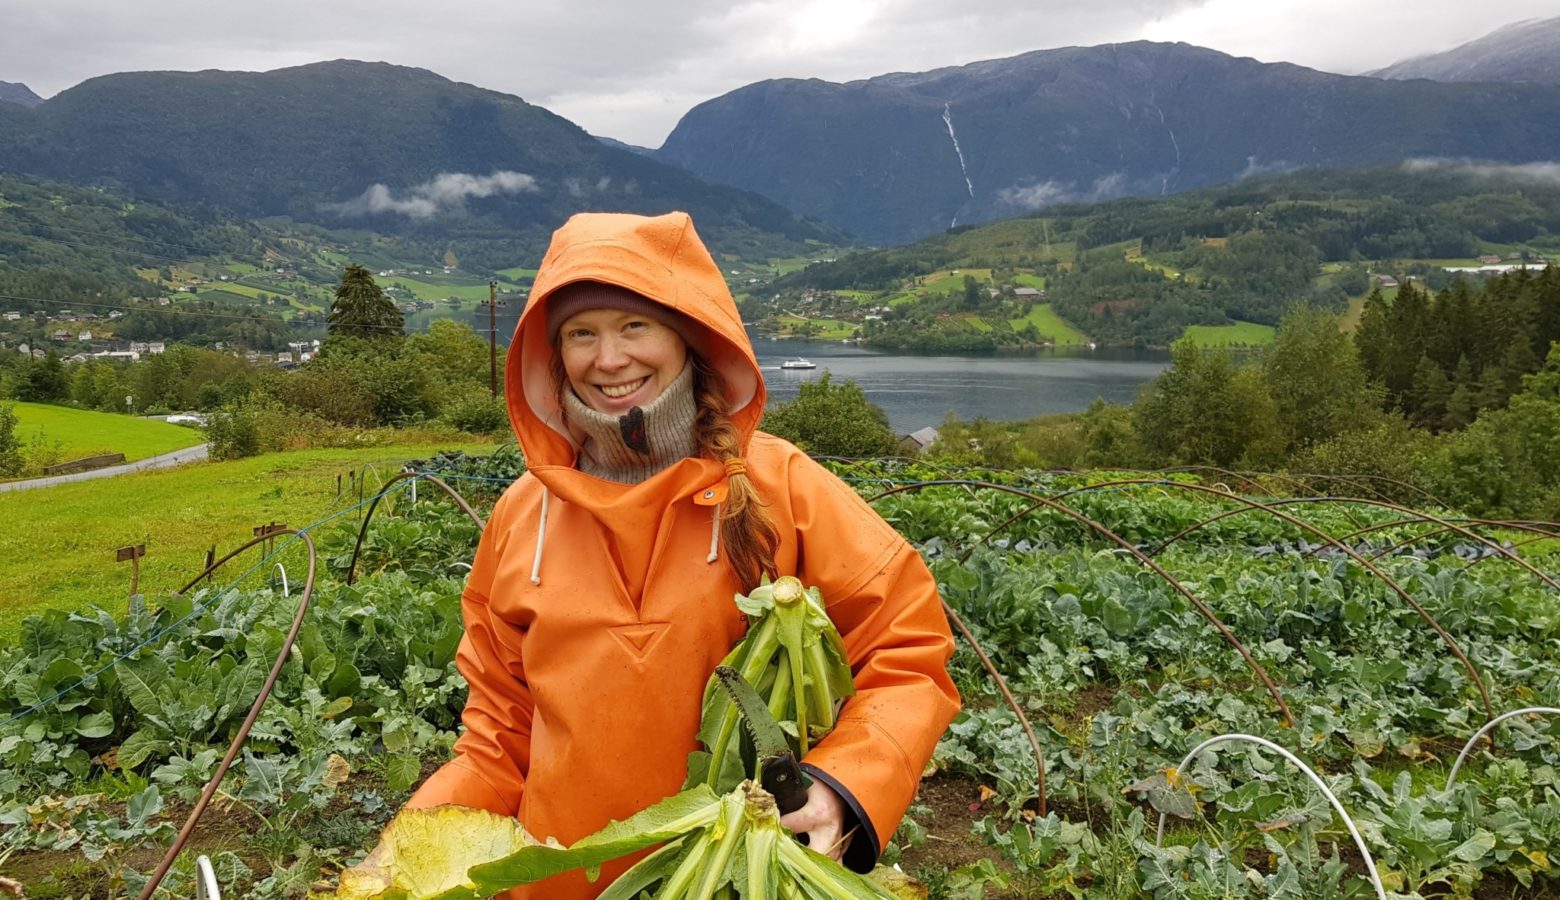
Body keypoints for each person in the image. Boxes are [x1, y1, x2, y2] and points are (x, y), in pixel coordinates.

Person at [407, 210, 959, 898]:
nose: (608, 359)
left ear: (687, 334)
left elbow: (907, 647)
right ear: (553, 355)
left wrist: (848, 784)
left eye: (634, 326)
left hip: (739, 878)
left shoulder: (781, 486)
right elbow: (498, 736)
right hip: (559, 880)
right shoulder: (524, 516)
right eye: (582, 334)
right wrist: (406, 852)